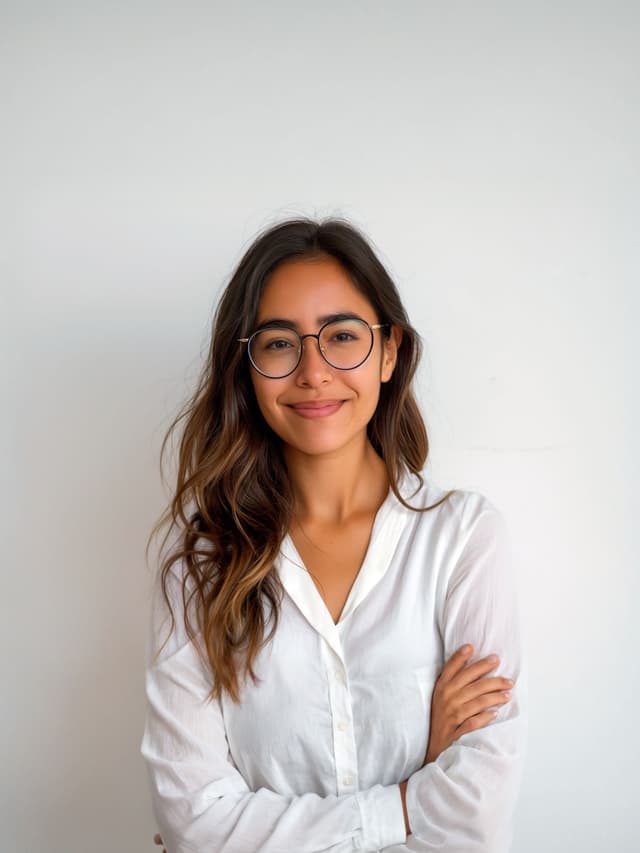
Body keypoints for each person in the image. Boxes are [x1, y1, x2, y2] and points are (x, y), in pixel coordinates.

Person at [141, 217, 527, 852]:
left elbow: (474, 821)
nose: (313, 372)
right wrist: (412, 793)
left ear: (389, 351)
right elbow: (197, 826)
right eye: (278, 343)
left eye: (342, 336)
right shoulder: (199, 567)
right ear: (246, 367)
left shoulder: (462, 540)